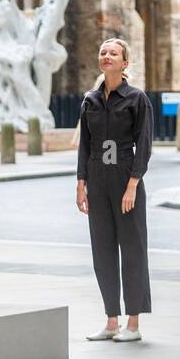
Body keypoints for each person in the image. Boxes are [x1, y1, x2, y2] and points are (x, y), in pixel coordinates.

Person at [76, 37, 153, 343]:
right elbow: (85, 144)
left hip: (124, 175)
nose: (107, 56)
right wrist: (81, 183)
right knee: (102, 251)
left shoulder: (136, 99)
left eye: (113, 53)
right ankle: (111, 321)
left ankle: (132, 323)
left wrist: (133, 184)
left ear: (125, 64)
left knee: (132, 249)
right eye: (103, 52)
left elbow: (144, 145)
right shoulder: (90, 101)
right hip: (97, 177)